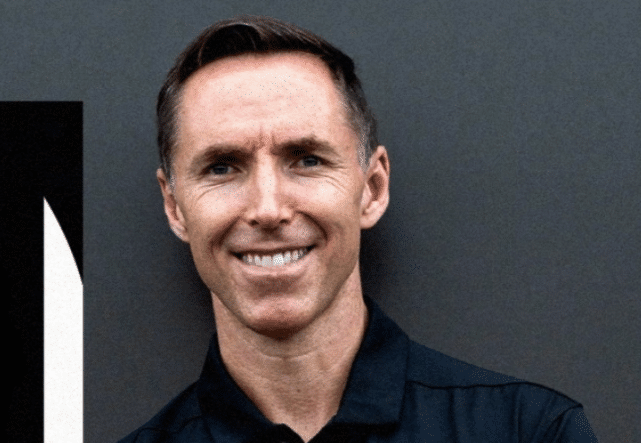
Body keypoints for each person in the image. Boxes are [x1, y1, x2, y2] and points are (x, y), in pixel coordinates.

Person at [119, 16, 598, 443]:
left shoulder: (531, 431)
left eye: (307, 160)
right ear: (175, 207)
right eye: (222, 167)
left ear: (372, 188)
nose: (268, 209)